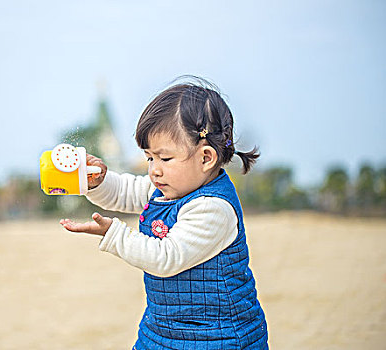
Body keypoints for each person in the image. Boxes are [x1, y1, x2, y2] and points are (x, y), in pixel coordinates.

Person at [60, 77, 268, 349]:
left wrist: (114, 235)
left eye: (165, 158)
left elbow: (165, 258)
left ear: (206, 158)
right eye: (149, 158)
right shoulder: (168, 188)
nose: (154, 169)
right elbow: (125, 191)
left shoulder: (213, 208)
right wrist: (98, 182)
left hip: (218, 337)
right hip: (163, 331)